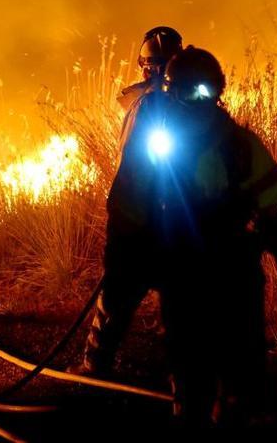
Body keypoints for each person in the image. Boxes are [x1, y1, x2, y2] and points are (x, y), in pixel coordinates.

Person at [106, 47, 277, 426]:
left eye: (205, 94)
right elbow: (127, 212)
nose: (198, 104)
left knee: (245, 373)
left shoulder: (242, 148)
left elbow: (276, 216)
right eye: (188, 93)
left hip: (235, 273)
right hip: (181, 274)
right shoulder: (156, 148)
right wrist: (121, 271)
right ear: (171, 94)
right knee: (189, 371)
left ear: (218, 93)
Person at [73, 26, 183, 376]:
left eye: (163, 64)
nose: (159, 71)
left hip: (170, 222)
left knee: (177, 304)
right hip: (149, 220)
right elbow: (132, 170)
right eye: (154, 65)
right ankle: (95, 369)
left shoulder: (189, 108)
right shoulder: (146, 107)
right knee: (120, 294)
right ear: (143, 66)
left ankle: (189, 383)